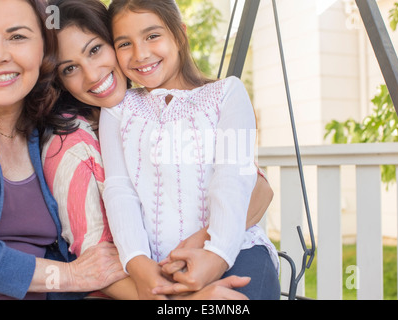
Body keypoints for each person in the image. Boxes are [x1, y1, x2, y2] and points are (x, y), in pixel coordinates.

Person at [41, 0, 273, 299]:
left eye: (152, 36)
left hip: (237, 251)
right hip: (158, 265)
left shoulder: (226, 94)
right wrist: (138, 264)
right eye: (125, 43)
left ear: (179, 34)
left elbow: (235, 179)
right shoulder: (118, 111)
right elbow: (120, 191)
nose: (140, 54)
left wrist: (216, 254)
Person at [0, 0, 128, 300]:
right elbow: (77, 271)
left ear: (44, 49)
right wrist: (69, 277)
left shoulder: (50, 125)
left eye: (17, 36)